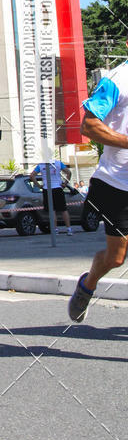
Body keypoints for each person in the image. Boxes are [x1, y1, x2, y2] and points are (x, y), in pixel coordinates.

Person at [68, 57, 128, 322]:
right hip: (117, 183)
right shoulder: (116, 81)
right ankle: (87, 285)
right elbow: (89, 126)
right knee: (116, 258)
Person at [29, 159, 72, 234]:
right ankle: (69, 229)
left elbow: (32, 175)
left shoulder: (41, 165)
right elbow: (69, 172)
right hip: (58, 188)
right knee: (63, 209)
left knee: (52, 211)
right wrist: (65, 183)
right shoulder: (58, 163)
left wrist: (39, 185)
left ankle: (55, 229)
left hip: (47, 189)